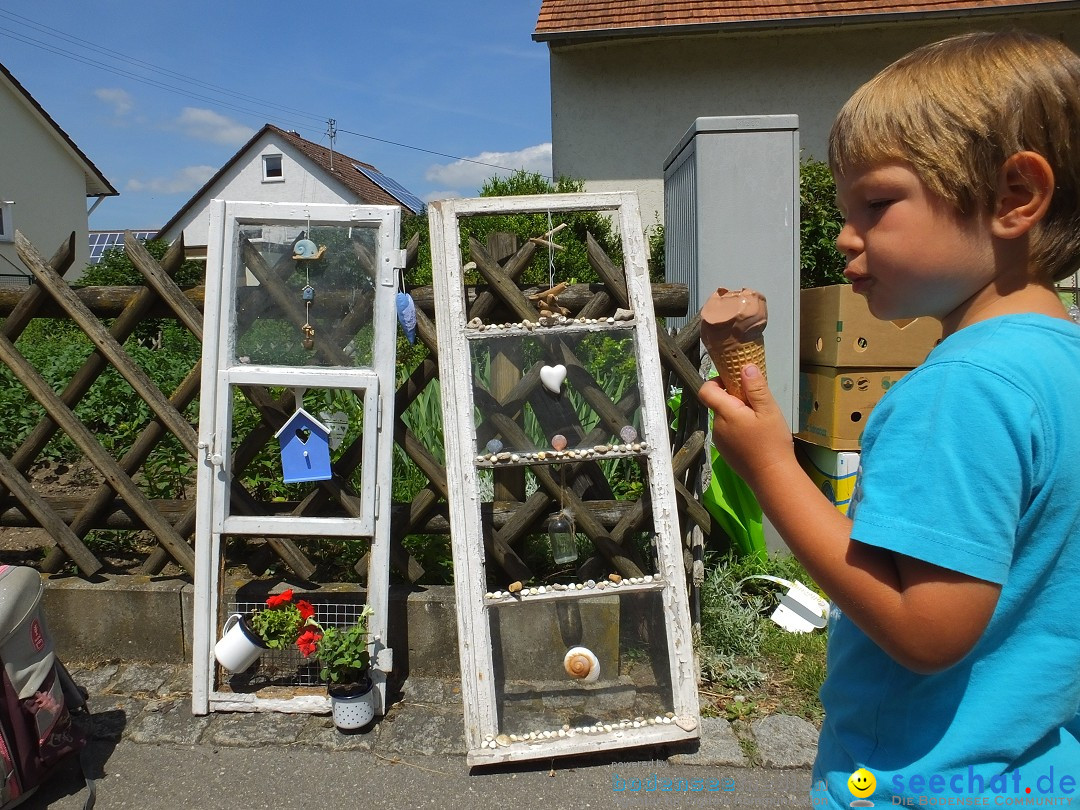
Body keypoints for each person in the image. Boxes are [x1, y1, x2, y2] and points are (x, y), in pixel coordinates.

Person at [698, 30, 1080, 807]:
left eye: (876, 203)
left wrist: (771, 466)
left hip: (913, 781)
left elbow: (924, 628)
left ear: (1014, 198)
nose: (844, 234)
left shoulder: (963, 388)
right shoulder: (1059, 365)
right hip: (1034, 767)